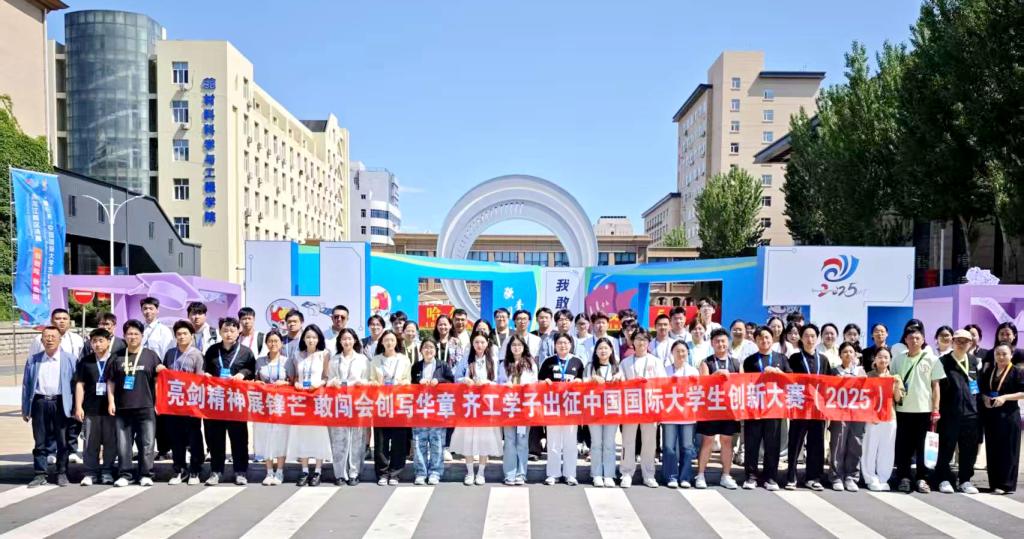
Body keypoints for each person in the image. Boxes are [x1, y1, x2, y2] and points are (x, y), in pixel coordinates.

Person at [202, 317, 257, 485]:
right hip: (216, 401)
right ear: (220, 332)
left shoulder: (246, 352)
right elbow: (205, 369)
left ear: (238, 332)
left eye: (232, 330)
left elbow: (252, 371)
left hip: (236, 401)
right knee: (215, 438)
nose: (229, 334)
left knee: (239, 438)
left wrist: (243, 373)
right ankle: (216, 472)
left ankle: (240, 472)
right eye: (225, 330)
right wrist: (206, 375)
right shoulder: (212, 350)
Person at [106, 319, 161, 487]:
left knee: (147, 443)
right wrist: (111, 402)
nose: (133, 337)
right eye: (129, 334)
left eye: (136, 334)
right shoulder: (116, 356)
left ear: (142, 336)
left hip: (146, 407)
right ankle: (125, 474)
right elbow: (110, 381)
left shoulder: (151, 356)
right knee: (124, 444)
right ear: (124, 336)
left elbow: (158, 380)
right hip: (123, 407)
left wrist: (158, 402)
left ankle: (146, 474)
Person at [891, 325, 944, 494]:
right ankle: (904, 477)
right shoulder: (897, 359)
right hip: (902, 410)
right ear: (905, 340)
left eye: (917, 338)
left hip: (924, 410)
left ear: (923, 340)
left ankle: (923, 478)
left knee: (923, 447)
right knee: (903, 447)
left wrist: (936, 409)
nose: (914, 341)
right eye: (910, 338)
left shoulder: (932, 359)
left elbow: (935, 386)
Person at [28, 308, 84, 463]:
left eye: (64, 318)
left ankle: (72, 450)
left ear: (69, 321)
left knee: (71, 421)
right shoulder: (39, 340)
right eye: (58, 318)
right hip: (49, 386)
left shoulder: (77, 339)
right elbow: (32, 363)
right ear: (52, 321)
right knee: (50, 424)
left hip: (70, 385)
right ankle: (51, 451)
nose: (61, 321)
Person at [23, 326, 75, 487]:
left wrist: (76, 407)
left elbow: (76, 385)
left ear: (60, 339)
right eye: (46, 336)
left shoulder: (70, 359)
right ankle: (40, 473)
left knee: (62, 440)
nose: (50, 339)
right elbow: (26, 385)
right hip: (40, 402)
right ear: (41, 340)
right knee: (40, 440)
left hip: (61, 402)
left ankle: (62, 473)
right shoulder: (34, 360)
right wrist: (26, 408)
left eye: (53, 336)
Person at [786, 323, 834, 491]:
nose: (809, 339)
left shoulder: (824, 360)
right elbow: (788, 381)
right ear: (801, 337)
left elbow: (829, 383)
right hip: (800, 406)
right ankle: (791, 476)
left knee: (817, 442)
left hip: (818, 408)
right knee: (795, 442)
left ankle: (813, 477)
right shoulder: (794, 358)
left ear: (817, 338)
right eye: (806, 335)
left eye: (813, 336)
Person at [451, 331, 504, 485]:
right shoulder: (466, 360)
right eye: (476, 342)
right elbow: (456, 378)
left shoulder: (493, 360)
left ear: (487, 343)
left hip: (487, 405)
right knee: (468, 438)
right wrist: (465, 380)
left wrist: (487, 382)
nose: (479, 345)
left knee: (484, 439)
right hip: (470, 404)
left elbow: (498, 382)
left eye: (482, 342)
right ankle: (469, 472)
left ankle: (481, 472)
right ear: (472, 344)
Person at [933, 329, 981, 494]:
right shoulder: (943, 361)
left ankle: (965, 480)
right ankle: (943, 479)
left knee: (968, 450)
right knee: (946, 448)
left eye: (965, 341)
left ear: (971, 344)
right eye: (958, 341)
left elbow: (976, 387)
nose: (961, 344)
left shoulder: (974, 361)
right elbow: (936, 387)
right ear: (952, 342)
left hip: (970, 414)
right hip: (949, 413)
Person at [742, 326, 790, 491]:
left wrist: (778, 372)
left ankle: (771, 477)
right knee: (752, 443)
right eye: (760, 338)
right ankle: (751, 476)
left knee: (772, 444)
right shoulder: (750, 361)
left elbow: (791, 380)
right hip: (754, 408)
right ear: (755, 340)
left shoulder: (781, 358)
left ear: (772, 338)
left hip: (774, 408)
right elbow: (744, 383)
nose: (764, 340)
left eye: (767, 337)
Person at [160, 320, 206, 485]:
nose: (181, 336)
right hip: (173, 403)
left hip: (191, 403)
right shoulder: (170, 353)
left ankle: (195, 469)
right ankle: (179, 469)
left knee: (194, 436)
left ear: (191, 335)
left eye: (185, 333)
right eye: (178, 334)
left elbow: (200, 379)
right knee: (175, 437)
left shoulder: (197, 355)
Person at [286, 324, 332, 486]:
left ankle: (318, 470)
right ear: (303, 339)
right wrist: (297, 384)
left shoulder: (324, 354)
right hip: (301, 399)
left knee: (319, 434)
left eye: (314, 337)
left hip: (318, 398)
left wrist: (318, 384)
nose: (311, 340)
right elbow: (295, 377)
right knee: (302, 434)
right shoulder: (297, 355)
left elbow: (327, 377)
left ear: (319, 339)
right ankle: (305, 470)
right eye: (308, 337)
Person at [695, 328, 741, 490]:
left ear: (728, 343)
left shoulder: (736, 363)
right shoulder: (706, 362)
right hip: (711, 407)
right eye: (717, 341)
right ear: (712, 344)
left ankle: (726, 475)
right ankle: (701, 474)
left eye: (723, 341)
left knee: (727, 441)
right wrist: (716, 375)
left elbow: (741, 384)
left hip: (729, 408)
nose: (720, 344)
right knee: (707, 440)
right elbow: (703, 383)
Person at [621, 329, 667, 488]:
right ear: (633, 341)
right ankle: (626, 473)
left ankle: (648, 474)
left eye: (644, 339)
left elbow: (662, 383)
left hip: (650, 406)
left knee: (649, 442)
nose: (641, 342)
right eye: (638, 339)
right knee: (628, 440)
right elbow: (621, 382)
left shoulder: (655, 361)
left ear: (649, 342)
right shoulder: (625, 362)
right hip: (631, 406)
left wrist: (648, 383)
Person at [539, 332, 585, 485]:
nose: (563, 345)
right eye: (559, 343)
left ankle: (570, 474)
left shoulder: (577, 362)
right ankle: (553, 474)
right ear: (555, 345)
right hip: (552, 407)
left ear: (571, 345)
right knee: (553, 442)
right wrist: (544, 382)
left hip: (571, 407)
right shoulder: (548, 361)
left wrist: (580, 382)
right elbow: (539, 382)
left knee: (570, 442)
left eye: (565, 343)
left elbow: (584, 383)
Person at [325, 328, 370, 486]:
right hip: (339, 403)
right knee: (338, 439)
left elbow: (368, 380)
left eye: (349, 338)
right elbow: (328, 380)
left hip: (357, 402)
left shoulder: (362, 359)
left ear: (355, 340)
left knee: (357, 439)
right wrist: (333, 383)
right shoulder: (334, 360)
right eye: (344, 339)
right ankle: (340, 473)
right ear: (340, 341)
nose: (347, 341)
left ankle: (354, 472)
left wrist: (361, 383)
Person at [979, 343, 1024, 494]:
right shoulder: (989, 371)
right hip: (992, 416)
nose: (1001, 357)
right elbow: (983, 389)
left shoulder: (1017, 372)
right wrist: (985, 398)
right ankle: (994, 482)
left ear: (1011, 355)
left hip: (1009, 416)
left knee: (1008, 450)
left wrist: (1005, 397)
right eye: (998, 354)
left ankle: (1006, 484)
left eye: (1004, 354)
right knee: (993, 449)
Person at [75, 328, 118, 486]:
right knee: (90, 442)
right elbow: (80, 384)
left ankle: (107, 471)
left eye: (101, 341)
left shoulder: (116, 360)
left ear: (108, 342)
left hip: (110, 409)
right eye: (94, 341)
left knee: (110, 442)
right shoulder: (86, 361)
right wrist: (78, 407)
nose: (97, 344)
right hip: (90, 408)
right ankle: (90, 473)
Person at [370, 329, 412, 485]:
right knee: (381, 441)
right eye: (386, 340)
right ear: (382, 342)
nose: (389, 343)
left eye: (392, 340)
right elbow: (370, 379)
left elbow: (408, 380)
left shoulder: (404, 359)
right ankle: (382, 473)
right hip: (381, 403)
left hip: (398, 403)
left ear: (396, 342)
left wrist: (402, 383)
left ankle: (395, 473)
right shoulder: (375, 360)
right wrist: (374, 383)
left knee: (398, 440)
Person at [410, 338, 453, 485]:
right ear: (421, 350)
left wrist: (439, 382)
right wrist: (418, 383)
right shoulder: (416, 366)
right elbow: (410, 385)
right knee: (419, 443)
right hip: (420, 410)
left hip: (438, 410)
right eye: (425, 347)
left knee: (437, 443)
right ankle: (420, 472)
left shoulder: (443, 365)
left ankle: (435, 472)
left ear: (436, 350)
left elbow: (452, 383)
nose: (428, 350)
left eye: (431, 347)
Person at [497, 334, 536, 486]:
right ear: (509, 347)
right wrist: (505, 385)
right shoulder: (504, 364)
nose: (516, 348)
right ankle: (509, 474)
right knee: (509, 441)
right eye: (514, 345)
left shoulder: (530, 363)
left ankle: (521, 473)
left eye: (519, 345)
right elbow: (498, 383)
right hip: (509, 407)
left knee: (522, 441)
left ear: (524, 347)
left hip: (524, 407)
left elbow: (535, 384)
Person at [861, 347, 902, 491]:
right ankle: (870, 477)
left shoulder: (895, 377)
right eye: (880, 357)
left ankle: (883, 477)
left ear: (890, 360)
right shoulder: (868, 376)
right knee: (870, 447)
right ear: (875, 359)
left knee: (887, 448)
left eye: (886, 357)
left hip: (889, 416)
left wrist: (896, 386)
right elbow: (863, 398)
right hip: (872, 417)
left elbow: (898, 399)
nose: (883, 360)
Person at [828, 342, 867, 491]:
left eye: (851, 352)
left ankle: (851, 476)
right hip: (839, 413)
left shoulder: (861, 371)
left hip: (858, 413)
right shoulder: (834, 371)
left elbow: (868, 391)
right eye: (845, 352)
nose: (848, 354)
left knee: (855, 443)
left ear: (855, 354)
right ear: (840, 355)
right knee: (838, 443)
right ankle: (836, 476)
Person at [585, 337, 623, 487]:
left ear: (611, 350)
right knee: (596, 443)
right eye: (600, 348)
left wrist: (619, 377)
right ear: (595, 351)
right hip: (594, 409)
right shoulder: (590, 367)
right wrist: (592, 379)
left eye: (606, 348)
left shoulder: (617, 366)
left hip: (612, 409)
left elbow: (625, 384)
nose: (603, 351)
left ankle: (609, 474)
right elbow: (582, 384)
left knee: (609, 443)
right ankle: (596, 474)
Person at [254, 330, 291, 486]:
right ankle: (269, 471)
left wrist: (285, 383)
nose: (273, 344)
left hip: (282, 404)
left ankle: (280, 471)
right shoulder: (260, 361)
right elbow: (255, 379)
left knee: (280, 437)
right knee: (265, 437)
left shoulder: (287, 361)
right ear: (266, 343)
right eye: (270, 341)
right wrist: (257, 383)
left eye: (276, 341)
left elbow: (293, 381)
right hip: (264, 404)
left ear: (281, 343)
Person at [663, 341, 698, 488]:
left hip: (687, 414)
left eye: (683, 351)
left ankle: (685, 477)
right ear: (672, 353)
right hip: (669, 413)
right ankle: (671, 476)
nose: (680, 354)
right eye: (677, 351)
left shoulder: (693, 371)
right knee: (669, 446)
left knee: (687, 446)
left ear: (688, 353)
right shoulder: (665, 370)